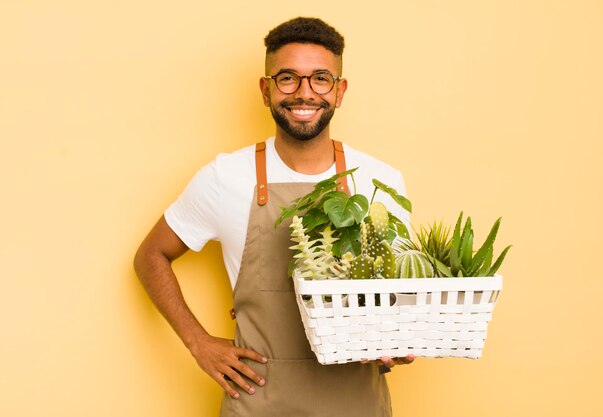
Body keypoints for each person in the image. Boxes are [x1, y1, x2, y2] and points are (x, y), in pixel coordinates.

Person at [134, 17, 415, 417]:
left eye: (320, 78)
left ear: (340, 91)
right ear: (266, 90)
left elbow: (398, 290)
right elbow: (150, 256)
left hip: (358, 403)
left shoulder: (380, 180)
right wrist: (198, 343)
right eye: (287, 78)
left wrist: (396, 342)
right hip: (258, 401)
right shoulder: (225, 176)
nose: (304, 93)